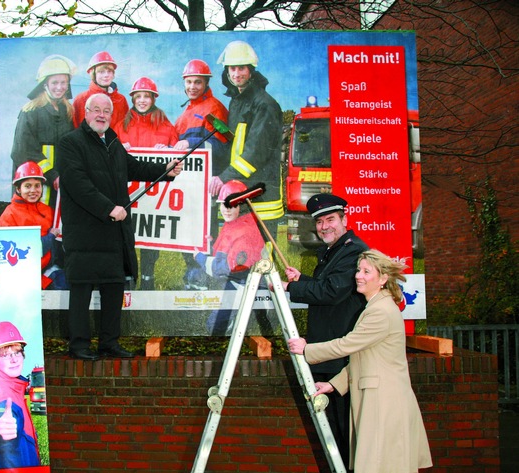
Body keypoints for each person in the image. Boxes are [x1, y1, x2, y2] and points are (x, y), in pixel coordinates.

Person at [55, 93, 183, 360]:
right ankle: (79, 346)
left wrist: (165, 169)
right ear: (86, 113)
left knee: (113, 289)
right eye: (96, 110)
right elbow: (78, 185)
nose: (101, 115)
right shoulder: (69, 143)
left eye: (106, 111)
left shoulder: (112, 141)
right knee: (81, 289)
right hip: (85, 233)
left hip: (114, 232)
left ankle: (109, 344)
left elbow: (133, 167)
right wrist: (108, 209)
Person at [288, 249, 432, 472]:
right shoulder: (375, 306)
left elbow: (347, 344)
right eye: (358, 270)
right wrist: (333, 384)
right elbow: (361, 355)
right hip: (380, 399)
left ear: (383, 279)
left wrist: (307, 350)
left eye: (366, 271)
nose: (358, 275)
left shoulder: (380, 311)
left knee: (380, 465)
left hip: (384, 402)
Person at [281, 193, 369, 466]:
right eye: (319, 222)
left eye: (330, 219)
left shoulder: (353, 251)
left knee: (342, 438)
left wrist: (290, 287)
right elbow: (330, 291)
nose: (324, 227)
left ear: (345, 219)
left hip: (339, 362)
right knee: (331, 436)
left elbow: (332, 291)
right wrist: (303, 280)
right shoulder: (335, 251)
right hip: (328, 357)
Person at [112, 77, 179, 290]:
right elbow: (108, 149)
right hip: (127, 191)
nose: (142, 100)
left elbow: (177, 154)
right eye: (138, 96)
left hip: (155, 192)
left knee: (152, 234)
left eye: (146, 96)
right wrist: (121, 147)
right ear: (132, 98)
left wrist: (169, 151)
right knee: (125, 234)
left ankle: (148, 276)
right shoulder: (121, 124)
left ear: (153, 98)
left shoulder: (165, 124)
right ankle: (127, 275)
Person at [214, 40, 284, 240]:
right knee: (241, 256)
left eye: (241, 68)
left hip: (262, 196)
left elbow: (255, 153)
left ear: (251, 70)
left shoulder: (265, 104)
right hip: (243, 191)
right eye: (232, 68)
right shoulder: (237, 101)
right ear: (227, 72)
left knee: (263, 260)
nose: (237, 74)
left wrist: (223, 177)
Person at [173, 59, 231, 278]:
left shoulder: (215, 108)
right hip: (188, 184)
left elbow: (222, 146)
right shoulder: (184, 114)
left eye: (198, 82)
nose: (192, 87)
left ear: (206, 82)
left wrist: (191, 142)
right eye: (189, 82)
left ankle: (203, 275)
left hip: (206, 184)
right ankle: (192, 273)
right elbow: (176, 147)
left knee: (204, 232)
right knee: (187, 229)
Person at [183, 180, 265, 334]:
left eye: (232, 205)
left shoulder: (244, 231)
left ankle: (234, 325)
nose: (227, 210)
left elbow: (227, 267)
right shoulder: (234, 224)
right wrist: (210, 243)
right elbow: (225, 251)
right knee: (191, 276)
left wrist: (200, 258)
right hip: (233, 280)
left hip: (241, 285)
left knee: (214, 327)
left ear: (242, 206)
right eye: (223, 205)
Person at [10, 54, 77, 209]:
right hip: (35, 186)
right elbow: (22, 151)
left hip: (59, 185)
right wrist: (52, 175)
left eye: (63, 82)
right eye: (55, 82)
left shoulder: (67, 111)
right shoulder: (30, 111)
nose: (59, 87)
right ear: (44, 84)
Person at [0, 321, 40, 468]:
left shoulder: (13, 385)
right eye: (5, 355)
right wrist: (2, 429)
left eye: (17, 352)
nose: (14, 359)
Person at [0, 161, 65, 290]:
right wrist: (50, 237)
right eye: (28, 186)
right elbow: (19, 252)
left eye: (37, 186)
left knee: (66, 282)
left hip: (45, 271)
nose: (33, 191)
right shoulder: (9, 215)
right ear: (18, 189)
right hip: (20, 275)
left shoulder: (48, 211)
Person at [72, 51, 129, 127]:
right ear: (93, 74)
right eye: (101, 72)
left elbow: (125, 129)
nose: (106, 75)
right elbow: (75, 130)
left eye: (109, 71)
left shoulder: (121, 100)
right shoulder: (80, 100)